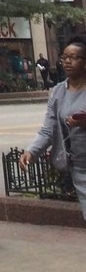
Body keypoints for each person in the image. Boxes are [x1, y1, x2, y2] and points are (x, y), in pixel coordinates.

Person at [20, 37, 86, 218]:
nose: (67, 61)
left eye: (73, 57)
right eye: (64, 57)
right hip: (78, 167)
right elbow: (49, 129)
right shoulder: (58, 91)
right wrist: (32, 151)